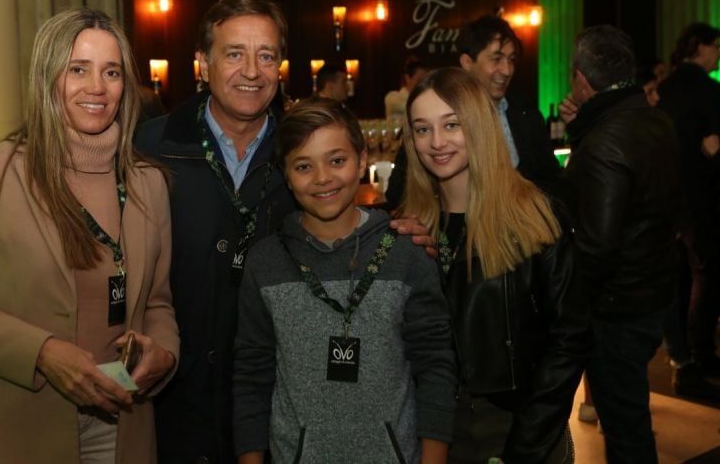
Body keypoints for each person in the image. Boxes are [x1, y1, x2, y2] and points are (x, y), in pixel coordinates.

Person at [136, 0, 435, 464]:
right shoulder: (150, 148)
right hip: (174, 394)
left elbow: (344, 220)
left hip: (284, 408)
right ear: (202, 63)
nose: (252, 71)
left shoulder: (301, 148)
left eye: (266, 55)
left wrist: (397, 230)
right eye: (234, 53)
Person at [0, 8, 179, 464]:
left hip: (124, 426)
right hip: (19, 426)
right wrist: (43, 353)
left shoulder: (148, 183)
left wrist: (165, 353)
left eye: (112, 71)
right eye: (77, 69)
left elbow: (157, 302)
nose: (97, 87)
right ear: (47, 77)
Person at [233, 98, 457, 463]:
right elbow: (251, 377)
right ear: (286, 176)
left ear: (362, 160)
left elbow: (435, 367)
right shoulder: (265, 263)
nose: (323, 178)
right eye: (304, 166)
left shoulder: (406, 253)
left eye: (337, 160)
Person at [400, 67, 588, 463]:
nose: (436, 142)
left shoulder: (535, 216)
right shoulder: (410, 227)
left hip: (518, 425)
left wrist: (528, 442)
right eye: (422, 129)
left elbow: (569, 339)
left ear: (479, 125)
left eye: (451, 124)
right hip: (435, 428)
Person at [560, 25, 681, 463]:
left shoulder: (606, 141)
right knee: (630, 418)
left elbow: (597, 246)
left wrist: (568, 305)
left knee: (627, 429)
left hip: (617, 308)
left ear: (581, 79)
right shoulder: (653, 120)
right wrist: (583, 130)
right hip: (652, 292)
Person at [386, 16, 561, 207]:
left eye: (511, 60)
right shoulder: (438, 111)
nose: (507, 70)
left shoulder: (525, 112)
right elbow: (399, 192)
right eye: (497, 59)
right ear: (467, 62)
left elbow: (553, 182)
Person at [656, 23, 720, 378]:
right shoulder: (709, 90)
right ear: (700, 48)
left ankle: (684, 354)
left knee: (681, 278)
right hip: (704, 200)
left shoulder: (666, 88)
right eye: (717, 46)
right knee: (709, 277)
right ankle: (699, 354)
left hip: (671, 200)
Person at [384, 56, 429, 121]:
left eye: (425, 80)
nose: (422, 83)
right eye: (419, 79)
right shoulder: (392, 97)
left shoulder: (425, 98)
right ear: (407, 78)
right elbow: (411, 107)